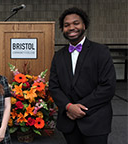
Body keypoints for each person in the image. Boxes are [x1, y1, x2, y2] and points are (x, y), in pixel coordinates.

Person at [48, 7, 116, 144]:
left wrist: (78, 107)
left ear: (84, 25)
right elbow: (54, 86)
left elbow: (108, 87)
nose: (71, 28)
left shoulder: (101, 51)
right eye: (66, 25)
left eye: (76, 23)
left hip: (96, 120)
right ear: (62, 29)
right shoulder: (58, 56)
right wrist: (68, 106)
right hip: (68, 122)